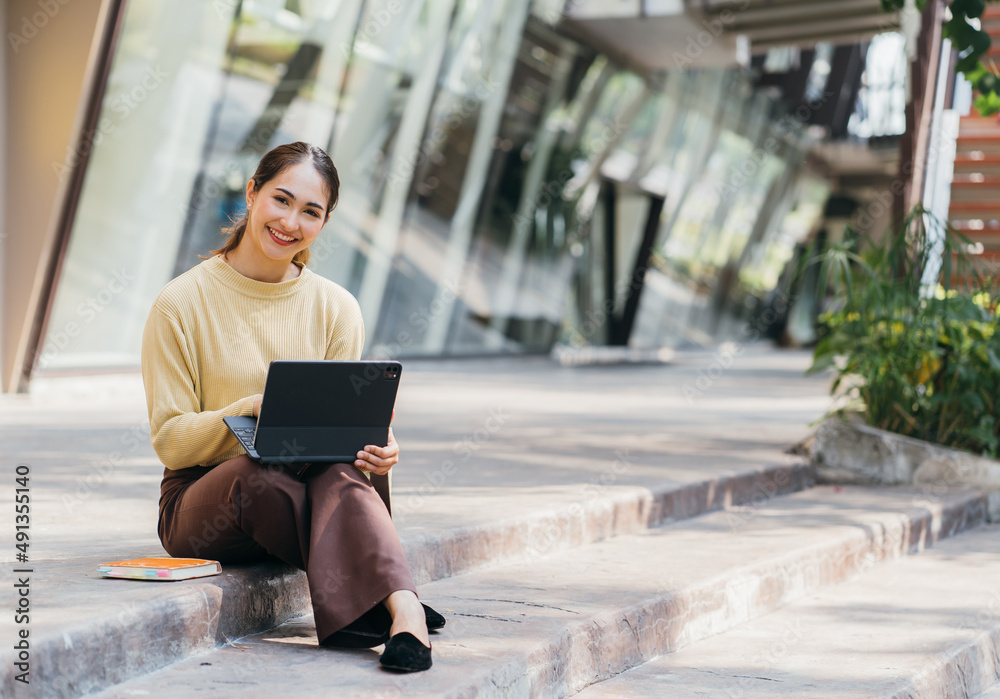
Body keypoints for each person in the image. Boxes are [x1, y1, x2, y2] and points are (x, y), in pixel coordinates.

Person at [140, 141, 439, 672]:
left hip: (309, 487)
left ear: (324, 223)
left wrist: (379, 448)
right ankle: (397, 593)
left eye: (311, 211)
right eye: (281, 199)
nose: (290, 221)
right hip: (206, 500)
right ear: (252, 193)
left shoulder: (336, 308)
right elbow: (169, 438)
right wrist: (249, 412)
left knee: (341, 467)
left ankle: (403, 613)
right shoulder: (180, 303)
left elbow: (340, 441)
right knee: (257, 476)